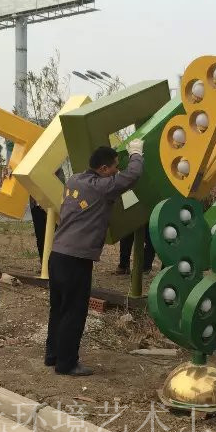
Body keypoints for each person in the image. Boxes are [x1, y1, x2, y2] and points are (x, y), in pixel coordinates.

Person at [46, 141, 144, 376]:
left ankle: (53, 355)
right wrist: (136, 153)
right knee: (75, 311)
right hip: (76, 259)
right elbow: (132, 175)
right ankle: (67, 364)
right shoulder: (102, 187)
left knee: (58, 308)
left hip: (57, 254)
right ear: (102, 169)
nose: (116, 171)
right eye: (113, 168)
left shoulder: (74, 180)